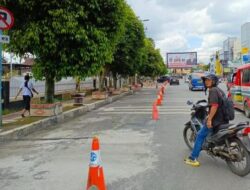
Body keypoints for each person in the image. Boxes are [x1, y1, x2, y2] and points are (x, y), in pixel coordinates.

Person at [184, 73, 229, 167]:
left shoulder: (213, 90)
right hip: (223, 119)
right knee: (207, 134)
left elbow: (214, 106)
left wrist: (209, 120)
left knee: (200, 135)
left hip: (216, 120)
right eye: (205, 80)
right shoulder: (219, 90)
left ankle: (192, 158)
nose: (206, 82)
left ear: (214, 81)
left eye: (209, 80)